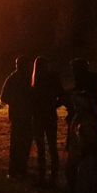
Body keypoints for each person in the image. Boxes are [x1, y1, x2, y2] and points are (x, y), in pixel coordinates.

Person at [30, 56, 66, 186]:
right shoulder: (49, 79)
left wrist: (53, 105)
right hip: (45, 116)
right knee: (47, 147)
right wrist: (54, 105)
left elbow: (61, 95)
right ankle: (47, 176)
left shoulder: (36, 81)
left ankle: (47, 176)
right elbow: (62, 95)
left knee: (48, 147)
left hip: (41, 116)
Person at [0, 56, 35, 179]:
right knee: (21, 143)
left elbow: (4, 97)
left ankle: (18, 168)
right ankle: (17, 169)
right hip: (22, 115)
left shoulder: (15, 78)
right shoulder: (23, 78)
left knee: (21, 143)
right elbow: (4, 97)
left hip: (20, 115)